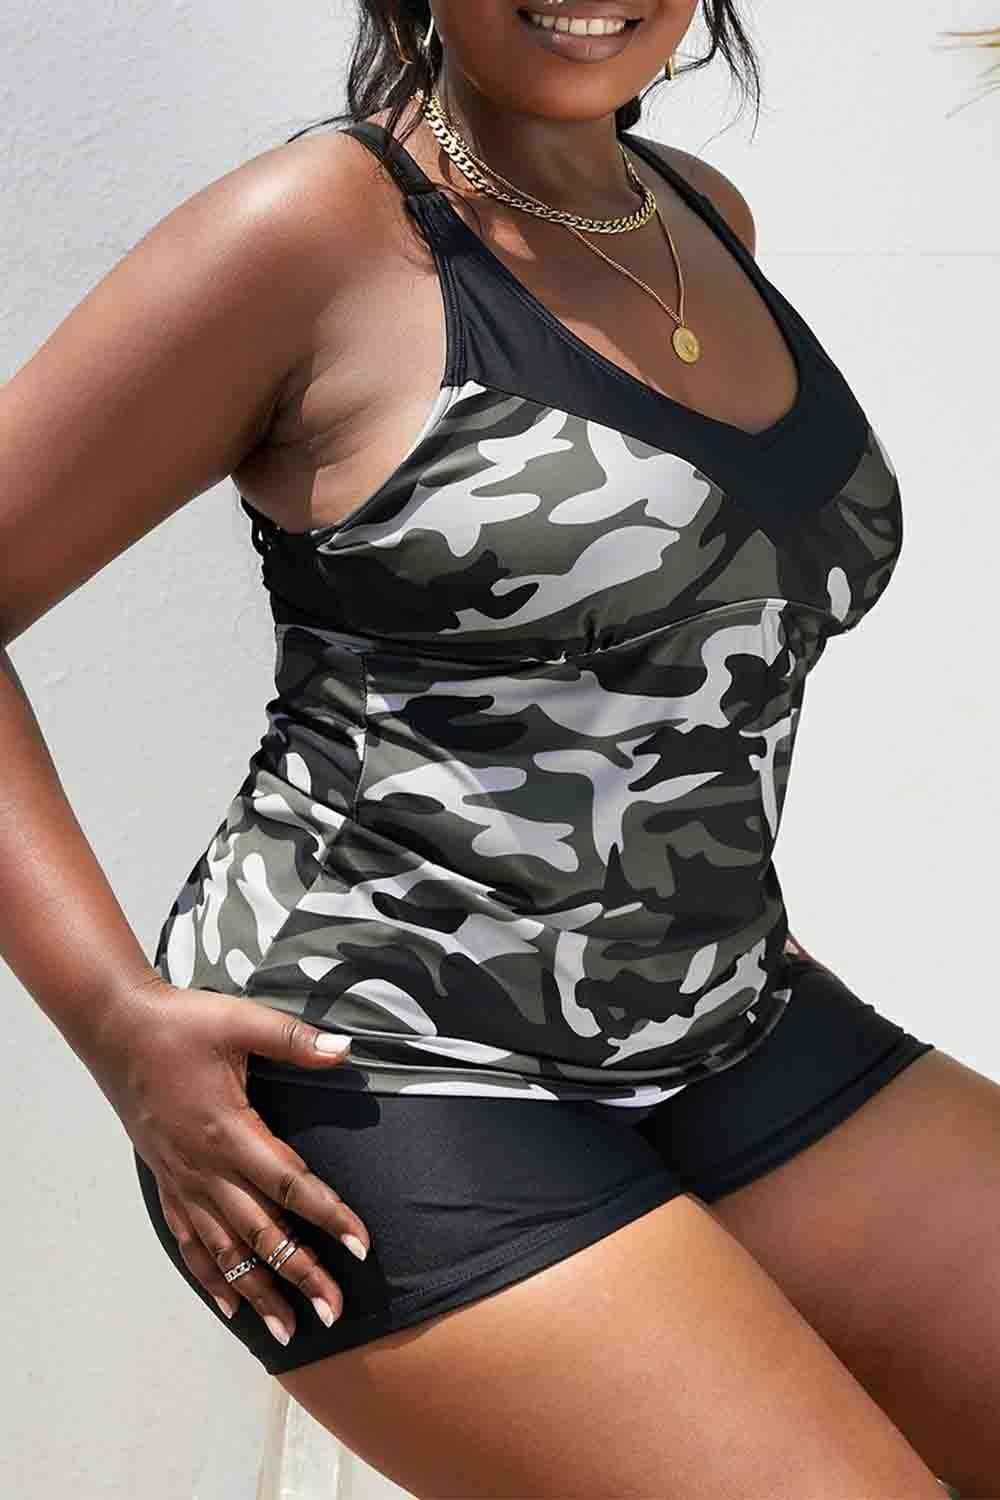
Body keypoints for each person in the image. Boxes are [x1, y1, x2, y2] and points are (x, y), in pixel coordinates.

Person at [0, 1, 990, 1495]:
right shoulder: (316, 231)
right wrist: (112, 1017)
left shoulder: (701, 220)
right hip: (377, 1070)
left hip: (720, 1023)